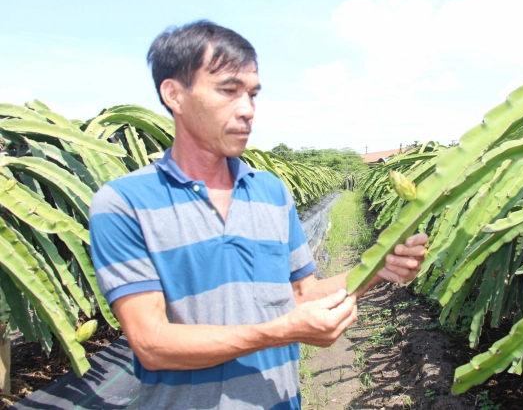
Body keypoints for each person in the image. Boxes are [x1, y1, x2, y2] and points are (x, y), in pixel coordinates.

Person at [89, 20, 428, 410]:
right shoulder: (123, 203)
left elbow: (302, 294)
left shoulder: (271, 192)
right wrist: (280, 331)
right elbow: (152, 344)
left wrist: (380, 267)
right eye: (228, 91)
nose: (248, 110)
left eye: (253, 94)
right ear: (174, 95)